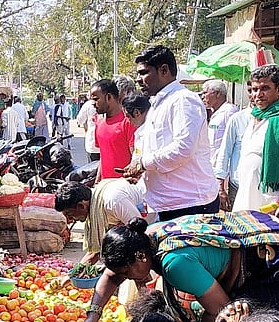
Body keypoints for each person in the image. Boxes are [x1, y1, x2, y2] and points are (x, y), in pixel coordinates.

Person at [80, 211, 279, 322]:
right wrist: (93, 314)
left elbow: (222, 310)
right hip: (253, 238)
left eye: (127, 272)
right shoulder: (143, 237)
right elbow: (111, 276)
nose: (129, 278)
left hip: (275, 256)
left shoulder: (175, 263)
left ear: (141, 257)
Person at [121, 45, 220, 220]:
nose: (138, 79)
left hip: (190, 204)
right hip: (167, 204)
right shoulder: (158, 103)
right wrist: (140, 169)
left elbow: (183, 149)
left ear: (164, 70)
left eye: (144, 73)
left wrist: (143, 163)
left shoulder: (183, 100)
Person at [233, 65, 279, 220]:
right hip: (246, 197)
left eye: (265, 88)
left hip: (274, 201)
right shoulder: (253, 117)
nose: (258, 94)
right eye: (254, 89)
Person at [55, 179, 143, 265]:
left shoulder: (112, 202)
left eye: (69, 213)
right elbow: (97, 249)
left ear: (81, 206)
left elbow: (140, 231)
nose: (69, 219)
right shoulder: (95, 205)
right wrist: (76, 272)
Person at [91, 79, 136, 181]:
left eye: (96, 99)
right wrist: (98, 181)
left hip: (124, 188)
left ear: (109, 97)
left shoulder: (129, 121)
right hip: (106, 186)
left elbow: (135, 157)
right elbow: (103, 157)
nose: (93, 103)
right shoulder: (99, 122)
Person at [215, 108, 252, 211]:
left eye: (264, 90)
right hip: (238, 186)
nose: (257, 94)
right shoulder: (237, 119)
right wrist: (220, 188)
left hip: (268, 190)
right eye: (252, 90)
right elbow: (225, 152)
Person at [202, 79, 239, 164]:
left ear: (217, 93)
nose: (203, 97)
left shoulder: (229, 111)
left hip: (224, 164)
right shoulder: (213, 113)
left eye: (205, 93)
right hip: (211, 162)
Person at [76, 95, 101, 161]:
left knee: (92, 168)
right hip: (105, 145)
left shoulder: (88, 105)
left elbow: (79, 120)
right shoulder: (110, 104)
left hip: (92, 144)